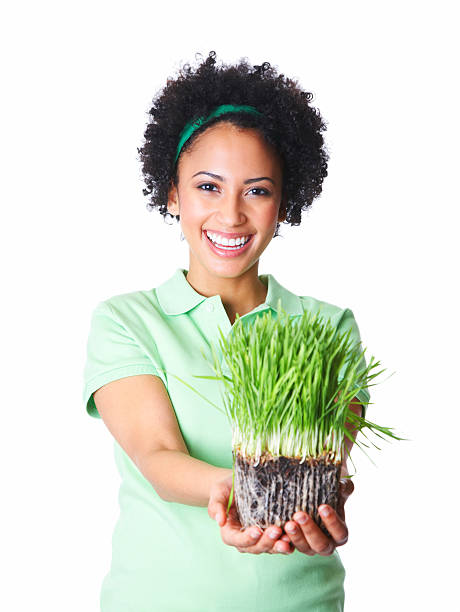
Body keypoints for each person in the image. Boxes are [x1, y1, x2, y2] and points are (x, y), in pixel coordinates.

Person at [82, 50, 370, 611]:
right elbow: (159, 455)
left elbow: (325, 463)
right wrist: (244, 491)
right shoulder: (127, 321)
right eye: (208, 187)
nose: (232, 214)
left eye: (257, 190)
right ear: (173, 194)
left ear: (284, 203)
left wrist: (318, 502)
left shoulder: (328, 327)